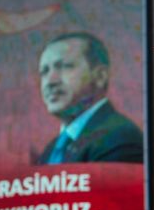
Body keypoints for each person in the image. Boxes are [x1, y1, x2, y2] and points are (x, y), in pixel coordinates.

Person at [36, 32, 143, 164]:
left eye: (64, 66)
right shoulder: (50, 151)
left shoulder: (120, 139)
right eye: (44, 71)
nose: (50, 81)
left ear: (100, 76)